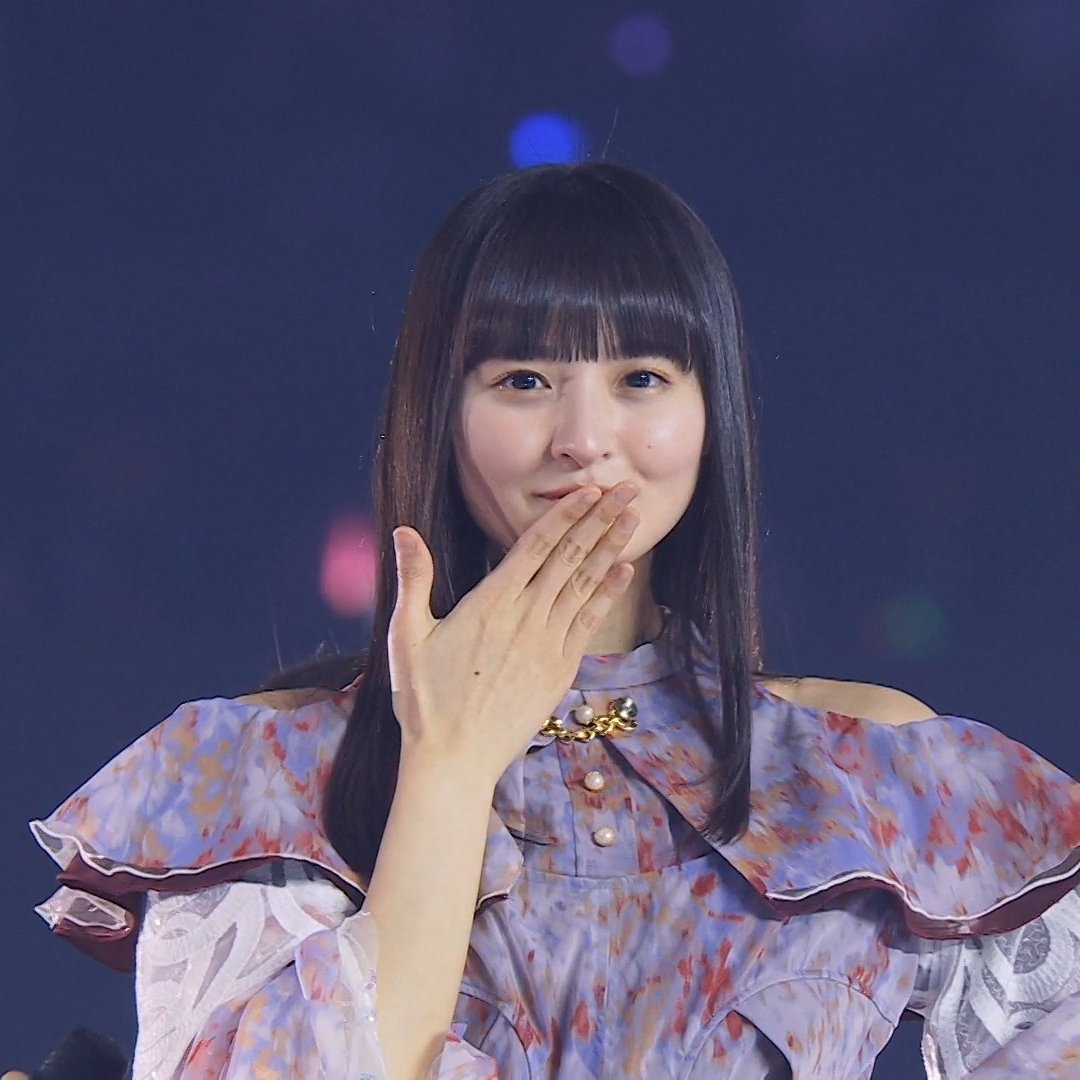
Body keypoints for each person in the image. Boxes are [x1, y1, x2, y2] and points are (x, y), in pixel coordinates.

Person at [26, 162, 1080, 1079]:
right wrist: (447, 768)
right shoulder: (270, 772)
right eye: (524, 379)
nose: (584, 437)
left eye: (642, 378)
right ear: (443, 410)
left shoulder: (863, 767)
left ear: (710, 414)